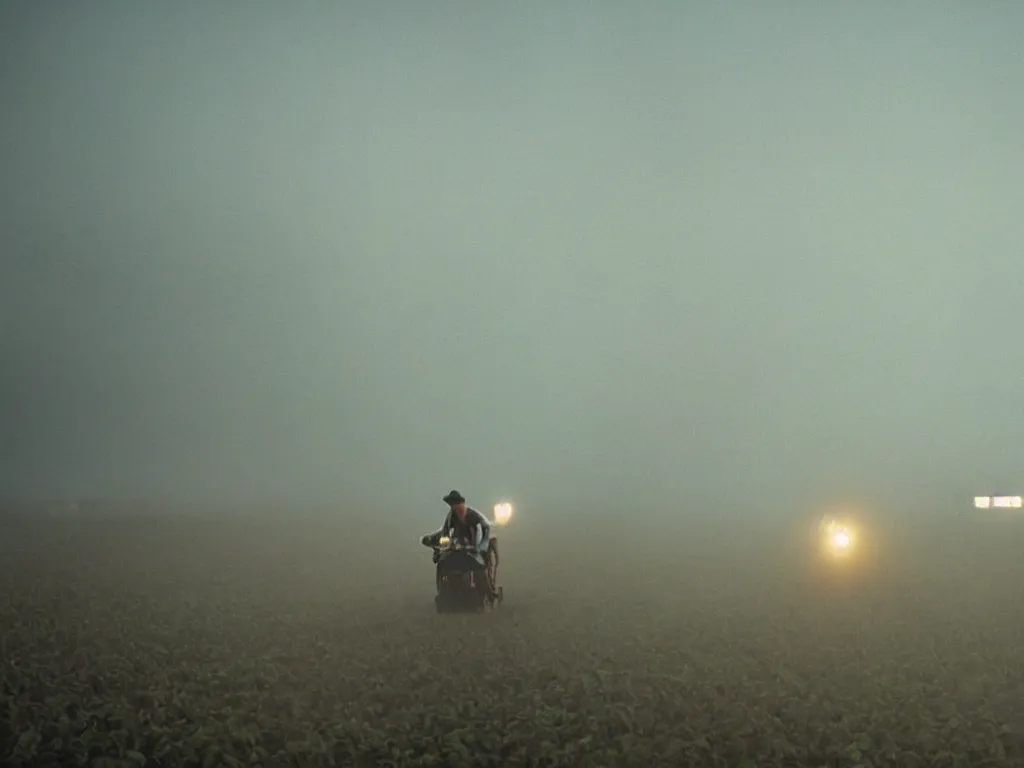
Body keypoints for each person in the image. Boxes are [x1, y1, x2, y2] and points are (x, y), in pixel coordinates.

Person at [421, 489, 498, 600]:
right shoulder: (451, 517)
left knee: (479, 566)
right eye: (452, 504)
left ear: (461, 503)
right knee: (442, 563)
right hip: (457, 546)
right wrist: (432, 540)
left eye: (456, 503)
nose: (455, 507)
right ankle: (443, 590)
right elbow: (445, 532)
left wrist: (481, 547)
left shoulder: (472, 515)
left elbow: (485, 528)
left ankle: (489, 592)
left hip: (473, 546)